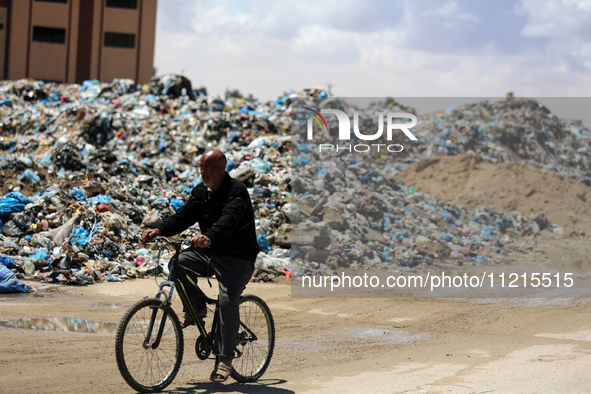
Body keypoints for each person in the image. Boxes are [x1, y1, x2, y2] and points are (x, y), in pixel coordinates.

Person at [141, 149, 259, 383]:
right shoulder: (201, 192)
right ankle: (197, 310)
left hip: (238, 259)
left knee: (227, 302)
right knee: (179, 262)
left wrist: (210, 236)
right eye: (201, 167)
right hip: (211, 254)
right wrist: (160, 230)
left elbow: (229, 219)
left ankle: (225, 358)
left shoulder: (237, 191)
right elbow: (183, 216)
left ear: (221, 169)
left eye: (207, 168)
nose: (202, 172)